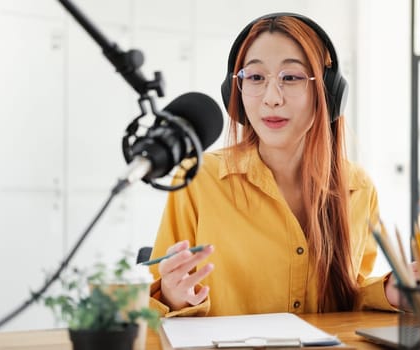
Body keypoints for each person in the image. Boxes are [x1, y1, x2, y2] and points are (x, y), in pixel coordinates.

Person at [147, 12, 404, 317]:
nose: (271, 98)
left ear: (328, 90)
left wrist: (390, 293)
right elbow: (157, 306)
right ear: (236, 90)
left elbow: (352, 299)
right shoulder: (199, 178)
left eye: (291, 78)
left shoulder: (357, 187)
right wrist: (174, 297)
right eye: (255, 78)